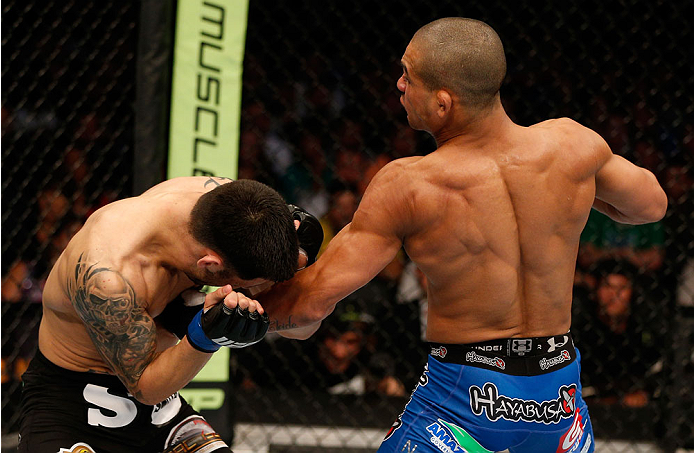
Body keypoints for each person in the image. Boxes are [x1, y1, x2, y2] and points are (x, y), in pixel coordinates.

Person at [258, 17, 668, 453]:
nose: (398, 85)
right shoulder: (571, 146)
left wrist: (214, 312)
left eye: (407, 75)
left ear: (443, 103)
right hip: (559, 405)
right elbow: (650, 206)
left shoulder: (411, 185)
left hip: (462, 406)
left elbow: (308, 306)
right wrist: (578, 192)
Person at [17, 176, 322, 453]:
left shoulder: (230, 206)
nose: (256, 291)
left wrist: (299, 255)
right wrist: (205, 334)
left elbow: (304, 323)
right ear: (211, 265)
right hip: (73, 406)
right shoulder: (110, 278)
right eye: (250, 286)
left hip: (163, 412)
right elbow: (146, 387)